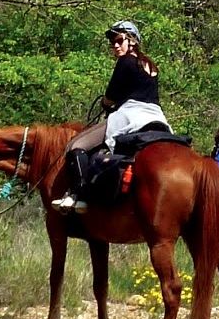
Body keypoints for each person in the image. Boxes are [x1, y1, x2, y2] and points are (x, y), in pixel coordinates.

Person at [53, 20, 169, 213]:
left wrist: (106, 104)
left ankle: (78, 194)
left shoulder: (125, 61)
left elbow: (110, 97)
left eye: (119, 40)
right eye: (112, 43)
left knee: (75, 146)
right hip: (158, 118)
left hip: (130, 116)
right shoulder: (152, 66)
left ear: (132, 40)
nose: (115, 45)